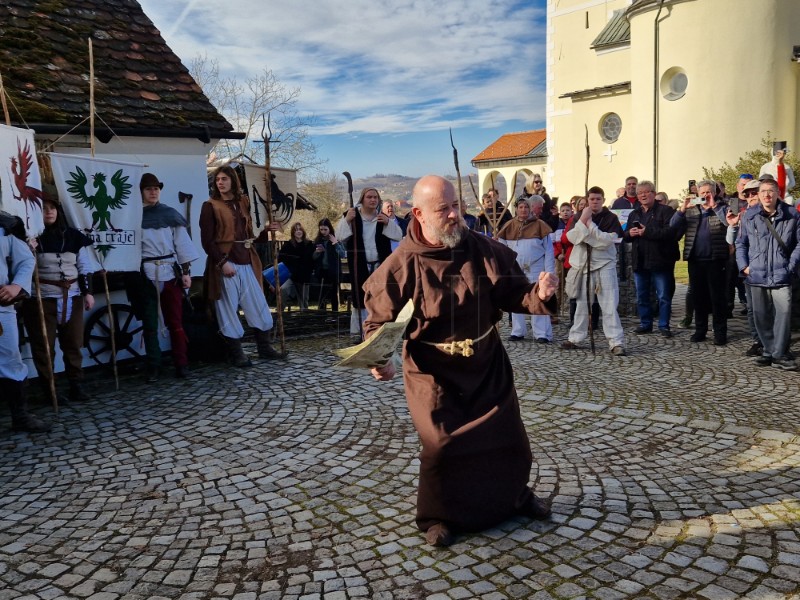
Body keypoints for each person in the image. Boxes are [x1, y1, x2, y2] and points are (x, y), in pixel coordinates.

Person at [365, 175, 558, 547]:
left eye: (457, 206)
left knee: (509, 437)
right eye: (444, 209)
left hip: (486, 362)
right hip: (432, 373)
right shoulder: (400, 265)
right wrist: (379, 356)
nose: (454, 215)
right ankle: (439, 515)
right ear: (419, 214)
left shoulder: (486, 249)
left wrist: (539, 292)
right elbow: (378, 322)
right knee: (441, 446)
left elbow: (516, 294)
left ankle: (514, 497)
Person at [200, 165, 282, 366]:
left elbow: (253, 234)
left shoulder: (244, 202)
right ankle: (237, 353)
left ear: (233, 181)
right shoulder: (210, 206)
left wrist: (266, 230)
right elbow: (207, 241)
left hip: (247, 259)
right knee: (227, 308)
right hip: (226, 262)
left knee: (258, 304)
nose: (220, 182)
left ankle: (264, 348)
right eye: (218, 179)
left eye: (224, 179)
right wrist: (222, 262)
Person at [22, 193, 97, 401]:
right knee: (44, 346)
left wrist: (88, 292)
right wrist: (28, 250)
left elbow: (85, 266)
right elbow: (21, 269)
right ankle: (50, 391)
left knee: (73, 343)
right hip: (42, 299)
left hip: (73, 297)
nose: (49, 211)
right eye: (44, 208)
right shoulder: (29, 239)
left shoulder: (73, 236)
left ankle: (76, 386)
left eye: (52, 207)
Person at [125, 173, 199, 382]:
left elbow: (182, 244)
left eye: (156, 188)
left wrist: (186, 272)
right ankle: (154, 366)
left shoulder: (169, 214)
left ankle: (181, 364)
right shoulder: (132, 217)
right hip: (145, 274)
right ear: (141, 192)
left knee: (175, 321)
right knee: (149, 325)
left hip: (169, 273)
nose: (153, 191)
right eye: (148, 188)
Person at [735, 177, 800, 370]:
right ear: (758, 194)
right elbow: (741, 243)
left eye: (771, 191)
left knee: (783, 314)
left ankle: (778, 354)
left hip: (782, 274)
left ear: (778, 193)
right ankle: (769, 350)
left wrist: (791, 266)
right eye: (763, 191)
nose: (767, 195)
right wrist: (744, 266)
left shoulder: (791, 215)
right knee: (761, 316)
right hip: (756, 274)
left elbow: (798, 244)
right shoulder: (749, 215)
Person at [562, 186, 625, 355]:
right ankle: (575, 337)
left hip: (605, 265)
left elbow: (607, 241)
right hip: (585, 265)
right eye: (591, 199)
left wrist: (589, 226)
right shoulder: (578, 217)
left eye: (598, 199)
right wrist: (583, 220)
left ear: (603, 200)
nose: (594, 202)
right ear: (587, 200)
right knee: (582, 304)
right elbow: (572, 238)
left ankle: (616, 341)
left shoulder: (610, 217)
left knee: (609, 305)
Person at [1, 214, 50, 432]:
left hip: (0, 306)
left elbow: (27, 259)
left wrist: (16, 285)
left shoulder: (5, 227)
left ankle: (19, 416)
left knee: (10, 359)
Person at [335, 187, 402, 341]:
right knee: (360, 298)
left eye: (375, 197)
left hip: (379, 264)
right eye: (369, 197)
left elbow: (398, 235)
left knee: (380, 298)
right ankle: (358, 333)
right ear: (362, 199)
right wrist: (346, 220)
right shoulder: (352, 216)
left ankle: (378, 332)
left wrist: (388, 223)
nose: (373, 200)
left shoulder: (382, 218)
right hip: (360, 263)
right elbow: (339, 236)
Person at [671, 178, 730, 345]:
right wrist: (681, 209)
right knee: (699, 298)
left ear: (715, 192)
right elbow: (673, 226)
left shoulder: (723, 207)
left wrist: (715, 207)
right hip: (695, 260)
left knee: (717, 298)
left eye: (708, 192)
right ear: (697, 192)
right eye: (702, 192)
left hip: (716, 260)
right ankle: (700, 330)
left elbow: (729, 223)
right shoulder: (691, 210)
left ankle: (720, 333)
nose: (705, 195)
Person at [623, 180, 679, 337]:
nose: (643, 195)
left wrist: (647, 232)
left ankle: (664, 325)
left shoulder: (666, 211)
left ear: (654, 194)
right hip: (640, 261)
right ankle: (645, 323)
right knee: (642, 296)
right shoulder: (634, 213)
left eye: (646, 192)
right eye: (640, 193)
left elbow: (670, 233)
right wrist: (630, 234)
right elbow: (625, 235)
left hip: (660, 260)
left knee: (663, 296)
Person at [497, 196, 555, 343]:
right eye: (521, 207)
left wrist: (549, 272)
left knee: (539, 299)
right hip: (516, 268)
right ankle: (518, 331)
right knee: (518, 299)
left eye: (526, 207)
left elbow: (548, 251)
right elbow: (502, 248)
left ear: (530, 209)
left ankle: (541, 333)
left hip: (536, 267)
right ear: (516, 209)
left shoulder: (540, 226)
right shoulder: (509, 226)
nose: (523, 210)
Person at [726, 179, 765, 356]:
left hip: (770, 269)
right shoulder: (745, 214)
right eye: (746, 194)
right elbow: (733, 241)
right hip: (749, 269)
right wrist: (733, 226)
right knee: (752, 308)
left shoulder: (771, 213)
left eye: (754, 193)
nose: (750, 197)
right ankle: (757, 340)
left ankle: (773, 342)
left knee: (770, 308)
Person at [277, 222, 315, 310]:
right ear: (293, 232)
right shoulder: (288, 245)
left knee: (303, 301)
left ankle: (304, 317)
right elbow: (280, 260)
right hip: (290, 276)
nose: (298, 232)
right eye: (296, 230)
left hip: (304, 276)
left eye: (300, 229)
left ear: (303, 231)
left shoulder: (309, 244)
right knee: (283, 289)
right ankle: (280, 311)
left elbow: (312, 260)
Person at [312, 218, 345, 312]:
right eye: (321, 229)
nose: (323, 232)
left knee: (334, 293)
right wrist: (317, 252)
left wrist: (335, 243)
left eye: (325, 229)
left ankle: (335, 312)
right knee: (322, 293)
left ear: (329, 228)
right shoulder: (318, 240)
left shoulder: (336, 239)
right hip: (322, 270)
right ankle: (322, 313)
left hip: (334, 271)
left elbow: (342, 254)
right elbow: (313, 257)